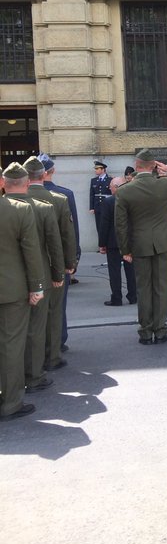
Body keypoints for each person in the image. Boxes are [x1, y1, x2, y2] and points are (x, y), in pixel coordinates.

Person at [114, 149, 167, 344]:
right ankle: (160, 330)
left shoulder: (124, 190)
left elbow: (121, 225)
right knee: (161, 287)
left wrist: (125, 250)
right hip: (163, 241)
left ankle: (145, 331)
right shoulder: (165, 184)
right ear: (154, 166)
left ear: (136, 166)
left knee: (143, 288)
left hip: (139, 243)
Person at [3, 164, 62, 394]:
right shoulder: (35, 208)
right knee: (30, 333)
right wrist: (53, 276)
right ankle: (29, 381)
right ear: (27, 183)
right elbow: (40, 249)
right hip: (26, 282)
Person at [0, 162, 46, 422]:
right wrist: (36, 287)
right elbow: (31, 252)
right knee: (11, 346)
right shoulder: (18, 209)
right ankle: (10, 403)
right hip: (11, 289)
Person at [25, 156, 76, 371]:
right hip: (52, 266)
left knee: (30, 317)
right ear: (45, 174)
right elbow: (67, 236)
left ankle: (30, 360)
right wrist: (69, 263)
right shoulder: (59, 198)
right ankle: (52, 356)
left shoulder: (12, 199)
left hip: (23, 269)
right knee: (54, 313)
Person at [39, 154, 78, 350]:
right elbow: (71, 232)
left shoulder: (23, 195)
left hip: (34, 261)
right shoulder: (64, 195)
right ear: (51, 171)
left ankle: (40, 345)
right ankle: (58, 342)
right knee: (58, 305)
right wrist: (73, 260)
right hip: (59, 260)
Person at [98, 177, 137, 306]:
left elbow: (104, 224)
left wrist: (102, 243)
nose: (109, 188)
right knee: (131, 270)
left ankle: (116, 297)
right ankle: (133, 296)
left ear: (117, 187)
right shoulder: (132, 200)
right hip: (130, 241)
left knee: (114, 271)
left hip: (113, 242)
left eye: (111, 186)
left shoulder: (108, 202)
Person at [89, 160, 112, 229]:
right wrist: (91, 207)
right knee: (99, 226)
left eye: (97, 169)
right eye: (95, 169)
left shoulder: (110, 180)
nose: (95, 170)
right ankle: (100, 239)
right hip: (97, 206)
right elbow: (92, 194)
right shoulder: (94, 180)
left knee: (108, 226)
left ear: (103, 169)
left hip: (107, 206)